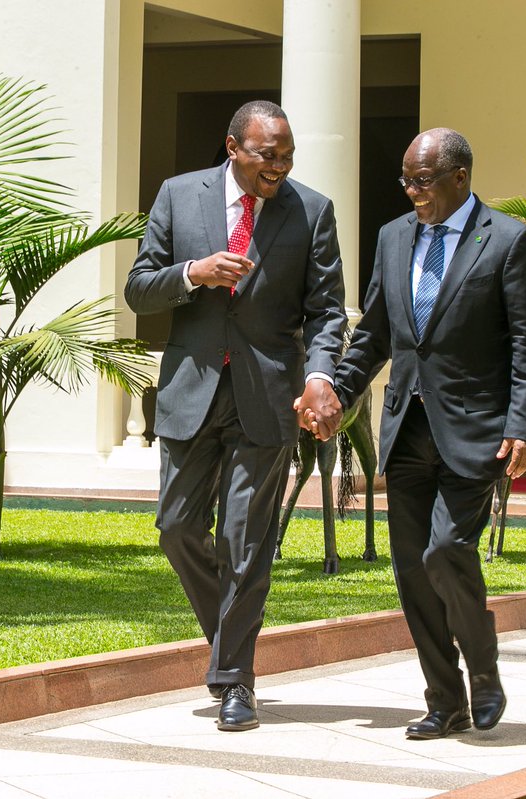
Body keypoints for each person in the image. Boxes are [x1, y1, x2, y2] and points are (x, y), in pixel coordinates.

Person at [308, 128, 526, 740]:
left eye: (423, 181)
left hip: (476, 430)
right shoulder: (394, 238)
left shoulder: (509, 240)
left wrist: (525, 425)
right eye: (407, 181)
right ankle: (445, 699)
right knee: (412, 572)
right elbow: (375, 334)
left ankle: (484, 670)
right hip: (405, 428)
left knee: (447, 551)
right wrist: (337, 389)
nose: (413, 192)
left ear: (460, 178)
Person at [125, 101, 347, 731]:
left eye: (286, 156)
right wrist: (192, 273)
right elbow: (138, 287)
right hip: (191, 388)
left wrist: (319, 375)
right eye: (266, 155)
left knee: (245, 540)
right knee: (176, 527)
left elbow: (326, 311)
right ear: (233, 147)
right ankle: (230, 638)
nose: (278, 167)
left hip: (267, 394)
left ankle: (235, 679)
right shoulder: (176, 196)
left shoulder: (311, 211)